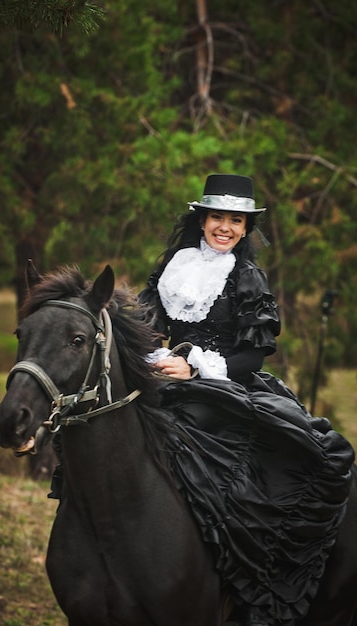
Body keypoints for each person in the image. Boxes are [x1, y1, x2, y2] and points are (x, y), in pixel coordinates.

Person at [139, 174, 355, 626]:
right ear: (203, 221)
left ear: (245, 228)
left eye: (236, 220)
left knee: (254, 471)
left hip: (224, 386)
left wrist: (196, 369)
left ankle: (234, 572)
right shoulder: (174, 266)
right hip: (164, 377)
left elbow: (254, 355)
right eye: (218, 217)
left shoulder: (246, 277)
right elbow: (149, 324)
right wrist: (151, 357)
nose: (226, 228)